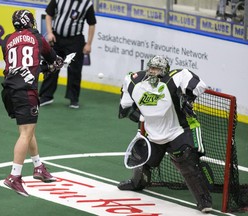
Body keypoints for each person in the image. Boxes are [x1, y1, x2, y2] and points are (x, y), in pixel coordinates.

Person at [117, 55, 212, 213]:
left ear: (165, 71)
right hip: (154, 134)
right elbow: (124, 110)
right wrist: (143, 117)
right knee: (142, 158)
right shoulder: (134, 81)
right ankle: (137, 183)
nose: (153, 72)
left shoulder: (176, 77)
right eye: (151, 68)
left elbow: (199, 85)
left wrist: (188, 99)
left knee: (187, 162)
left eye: (158, 69)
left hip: (178, 131)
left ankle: (204, 200)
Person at [1, 10, 64, 197]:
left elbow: (19, 65)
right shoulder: (36, 37)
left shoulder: (6, 40)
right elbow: (52, 58)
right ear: (29, 22)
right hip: (26, 91)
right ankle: (14, 176)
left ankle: (38, 167)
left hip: (9, 90)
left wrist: (45, 67)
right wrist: (54, 65)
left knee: (27, 131)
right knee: (26, 133)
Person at [39, 0, 97, 109]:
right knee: (52, 66)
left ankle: (73, 99)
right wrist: (50, 32)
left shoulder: (87, 4)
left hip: (75, 40)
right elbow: (49, 14)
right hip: (57, 38)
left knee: (74, 70)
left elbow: (92, 24)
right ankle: (46, 96)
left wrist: (89, 44)